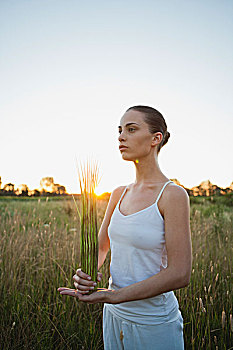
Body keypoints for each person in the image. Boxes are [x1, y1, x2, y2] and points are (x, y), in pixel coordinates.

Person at [58, 105, 192, 350]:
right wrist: (86, 274)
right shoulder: (119, 193)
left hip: (153, 322)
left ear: (156, 138)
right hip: (114, 316)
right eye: (120, 130)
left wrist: (113, 296)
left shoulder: (172, 195)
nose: (121, 136)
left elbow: (180, 273)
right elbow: (100, 248)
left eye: (131, 129)